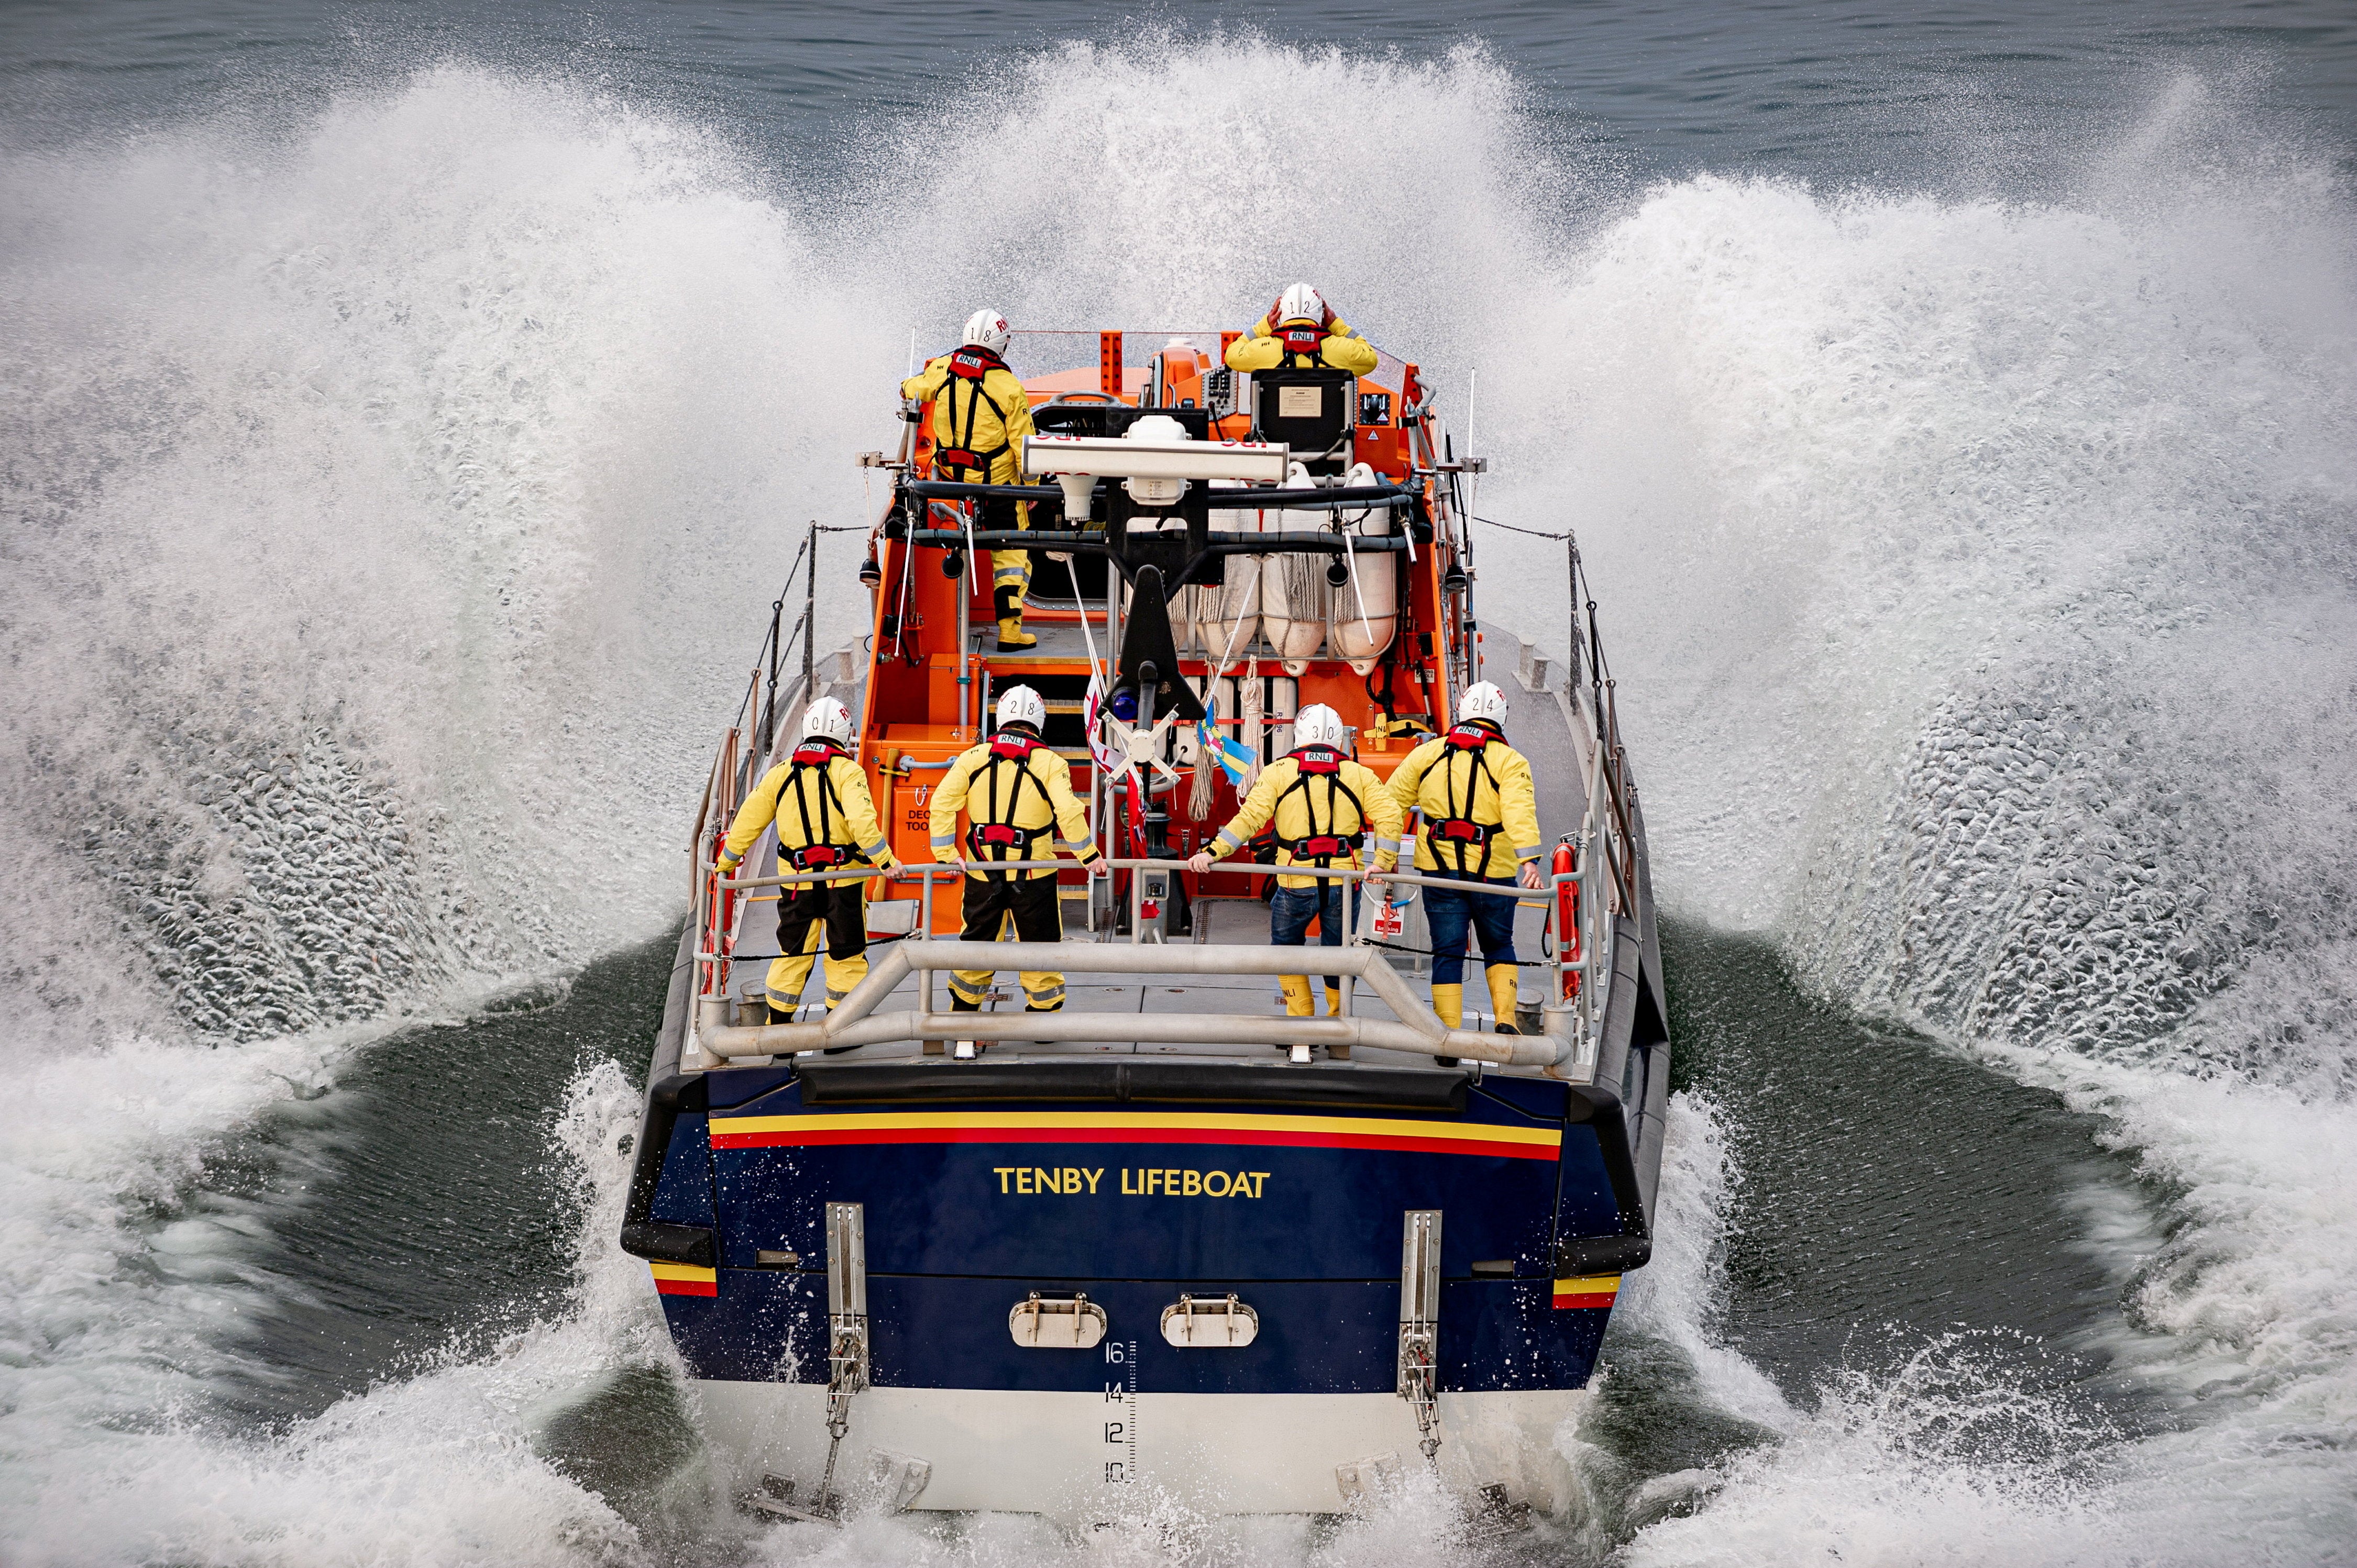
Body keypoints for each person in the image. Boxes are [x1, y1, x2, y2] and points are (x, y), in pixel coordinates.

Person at [1188, 703, 1402, 1018]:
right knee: (1340, 956)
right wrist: (1382, 861)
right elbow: (1390, 814)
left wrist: (1211, 852)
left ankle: (1300, 1019)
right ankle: (1339, 1024)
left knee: (1286, 949)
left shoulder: (1278, 772)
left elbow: (1248, 819)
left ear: (1299, 735)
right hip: (1345, 883)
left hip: (1295, 883)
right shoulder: (1360, 774)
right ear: (1338, 738)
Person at [715, 698, 900, 1023]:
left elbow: (748, 821)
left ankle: (779, 1030)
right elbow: (861, 824)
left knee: (793, 953)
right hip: (843, 884)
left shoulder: (780, 773)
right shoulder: (849, 772)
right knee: (847, 955)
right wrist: (887, 862)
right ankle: (841, 1030)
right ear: (845, 734)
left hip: (796, 884)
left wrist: (726, 864)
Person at [1378, 681, 1544, 1035]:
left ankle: (1447, 1033)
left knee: (1448, 951)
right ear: (1501, 718)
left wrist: (1387, 855)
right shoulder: (1511, 762)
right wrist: (1529, 861)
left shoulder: (1427, 754)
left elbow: (1390, 805)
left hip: (1438, 873)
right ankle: (1505, 1019)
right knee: (1499, 944)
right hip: (1494, 876)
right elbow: (1519, 813)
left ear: (1462, 712)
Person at [931, 685, 1105, 1021]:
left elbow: (942, 803)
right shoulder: (1052, 763)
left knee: (977, 948)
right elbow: (1069, 812)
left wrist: (945, 853)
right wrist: (1089, 856)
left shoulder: (973, 757)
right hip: (1034, 875)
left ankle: (963, 1020)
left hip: (982, 872)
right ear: (1039, 723)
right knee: (1039, 951)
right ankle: (1042, 1023)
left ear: (1002, 719)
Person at [902, 308, 1041, 652]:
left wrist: (907, 387)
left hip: (947, 488)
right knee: (1012, 555)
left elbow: (910, 389)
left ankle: (944, 630)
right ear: (1001, 346)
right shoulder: (1010, 388)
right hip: (998, 491)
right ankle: (1010, 632)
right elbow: (1026, 451)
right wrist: (1033, 490)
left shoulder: (941, 370)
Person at [1222, 283, 1380, 377]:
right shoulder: (1341, 349)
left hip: (1272, 433)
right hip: (1329, 434)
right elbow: (1371, 358)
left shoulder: (1263, 350)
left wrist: (1263, 327)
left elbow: (1232, 355)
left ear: (1281, 313)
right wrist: (1336, 325)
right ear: (1322, 313)